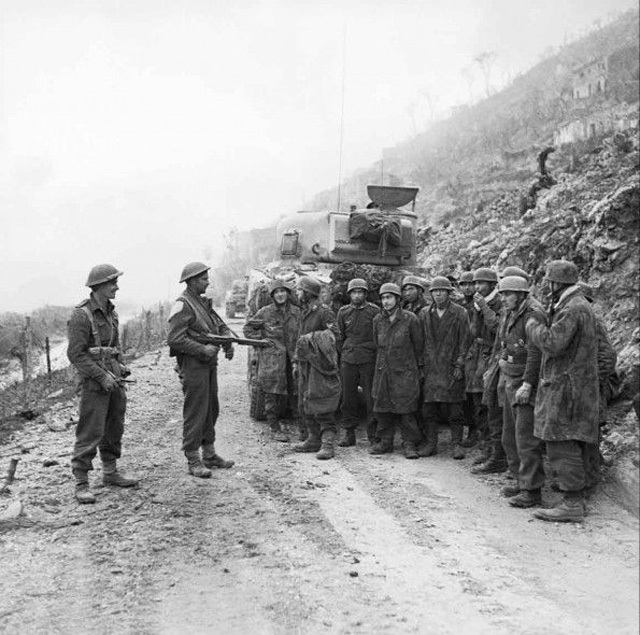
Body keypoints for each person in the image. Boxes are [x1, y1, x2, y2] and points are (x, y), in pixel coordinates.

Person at [527, 260, 599, 522]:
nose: (547, 287)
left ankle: (572, 503)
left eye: (549, 282)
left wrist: (533, 325)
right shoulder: (575, 304)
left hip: (567, 387)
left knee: (562, 441)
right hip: (573, 384)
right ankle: (575, 499)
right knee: (567, 440)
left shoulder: (573, 308)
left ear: (557, 283)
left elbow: (553, 343)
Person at [67, 264, 138, 504]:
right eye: (112, 283)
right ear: (98, 286)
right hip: (94, 382)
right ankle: (81, 483)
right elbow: (76, 355)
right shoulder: (81, 315)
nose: (116, 287)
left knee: (114, 426)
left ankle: (110, 472)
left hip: (114, 378)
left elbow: (114, 347)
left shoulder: (112, 312)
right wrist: (101, 376)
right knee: (90, 430)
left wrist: (121, 367)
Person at [167, 262, 235, 478]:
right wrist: (201, 349)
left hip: (208, 364)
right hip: (193, 364)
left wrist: (226, 339)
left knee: (210, 409)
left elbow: (219, 324)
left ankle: (209, 453)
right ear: (193, 281)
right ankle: (193, 459)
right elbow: (175, 339)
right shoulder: (183, 304)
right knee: (195, 411)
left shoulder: (202, 303)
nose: (208, 282)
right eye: (204, 279)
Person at [495, 276, 545, 508]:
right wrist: (502, 361)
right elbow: (504, 342)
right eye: (502, 294)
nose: (503, 298)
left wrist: (528, 384)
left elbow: (536, 353)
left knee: (526, 438)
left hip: (525, 381)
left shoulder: (533, 314)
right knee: (510, 434)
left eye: (508, 294)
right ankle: (518, 478)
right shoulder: (511, 312)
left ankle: (531, 490)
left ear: (522, 294)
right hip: (511, 377)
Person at [243, 279, 301, 443]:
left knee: (296, 391)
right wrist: (262, 341)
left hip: (293, 358)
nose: (280, 295)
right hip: (273, 359)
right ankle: (274, 427)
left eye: (283, 291)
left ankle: (302, 427)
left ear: (288, 294)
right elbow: (248, 329)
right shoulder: (265, 312)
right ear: (272, 295)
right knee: (271, 394)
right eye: (277, 292)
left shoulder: (296, 312)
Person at [370, 283, 424, 458]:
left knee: (406, 409)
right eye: (383, 298)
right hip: (383, 370)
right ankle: (385, 442)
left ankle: (409, 443)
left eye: (389, 297)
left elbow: (419, 346)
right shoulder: (378, 320)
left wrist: (416, 370)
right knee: (383, 408)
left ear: (398, 299)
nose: (386, 301)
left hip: (405, 371)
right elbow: (377, 344)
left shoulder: (410, 319)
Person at [419, 276, 470, 459]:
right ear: (430, 293)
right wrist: (421, 366)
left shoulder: (460, 313)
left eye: (442, 291)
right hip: (431, 366)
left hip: (451, 365)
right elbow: (420, 342)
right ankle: (431, 443)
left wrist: (460, 363)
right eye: (434, 291)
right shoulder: (425, 313)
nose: (438, 294)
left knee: (455, 408)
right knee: (429, 409)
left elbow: (465, 340)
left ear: (449, 293)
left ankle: (456, 443)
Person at [293, 275, 341, 460]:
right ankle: (313, 439)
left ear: (307, 293)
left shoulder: (324, 312)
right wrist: (297, 361)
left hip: (320, 366)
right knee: (307, 400)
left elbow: (335, 335)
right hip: (306, 364)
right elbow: (299, 337)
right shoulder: (304, 311)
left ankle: (328, 443)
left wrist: (311, 338)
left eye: (299, 290)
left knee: (322, 401)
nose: (297, 293)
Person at [577, 282, 618, 495]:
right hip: (582, 387)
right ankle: (581, 478)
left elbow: (608, 358)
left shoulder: (593, 320)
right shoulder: (582, 319)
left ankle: (590, 482)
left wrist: (592, 380)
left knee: (589, 436)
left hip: (592, 389)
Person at [336, 278, 380, 447]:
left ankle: (373, 433)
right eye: (354, 292)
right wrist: (346, 351)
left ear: (365, 294)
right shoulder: (343, 312)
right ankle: (349, 433)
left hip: (368, 358)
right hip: (348, 358)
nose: (357, 295)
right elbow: (340, 337)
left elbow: (378, 334)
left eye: (360, 292)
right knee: (348, 397)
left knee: (371, 397)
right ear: (349, 295)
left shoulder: (374, 311)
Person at [464, 268, 501, 451]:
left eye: (481, 283)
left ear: (492, 285)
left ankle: (491, 446)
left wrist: (484, 308)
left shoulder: (497, 303)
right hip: (476, 353)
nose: (477, 287)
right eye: (476, 283)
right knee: (474, 399)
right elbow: (471, 331)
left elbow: (497, 329)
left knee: (487, 402)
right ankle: (484, 441)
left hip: (490, 353)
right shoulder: (476, 304)